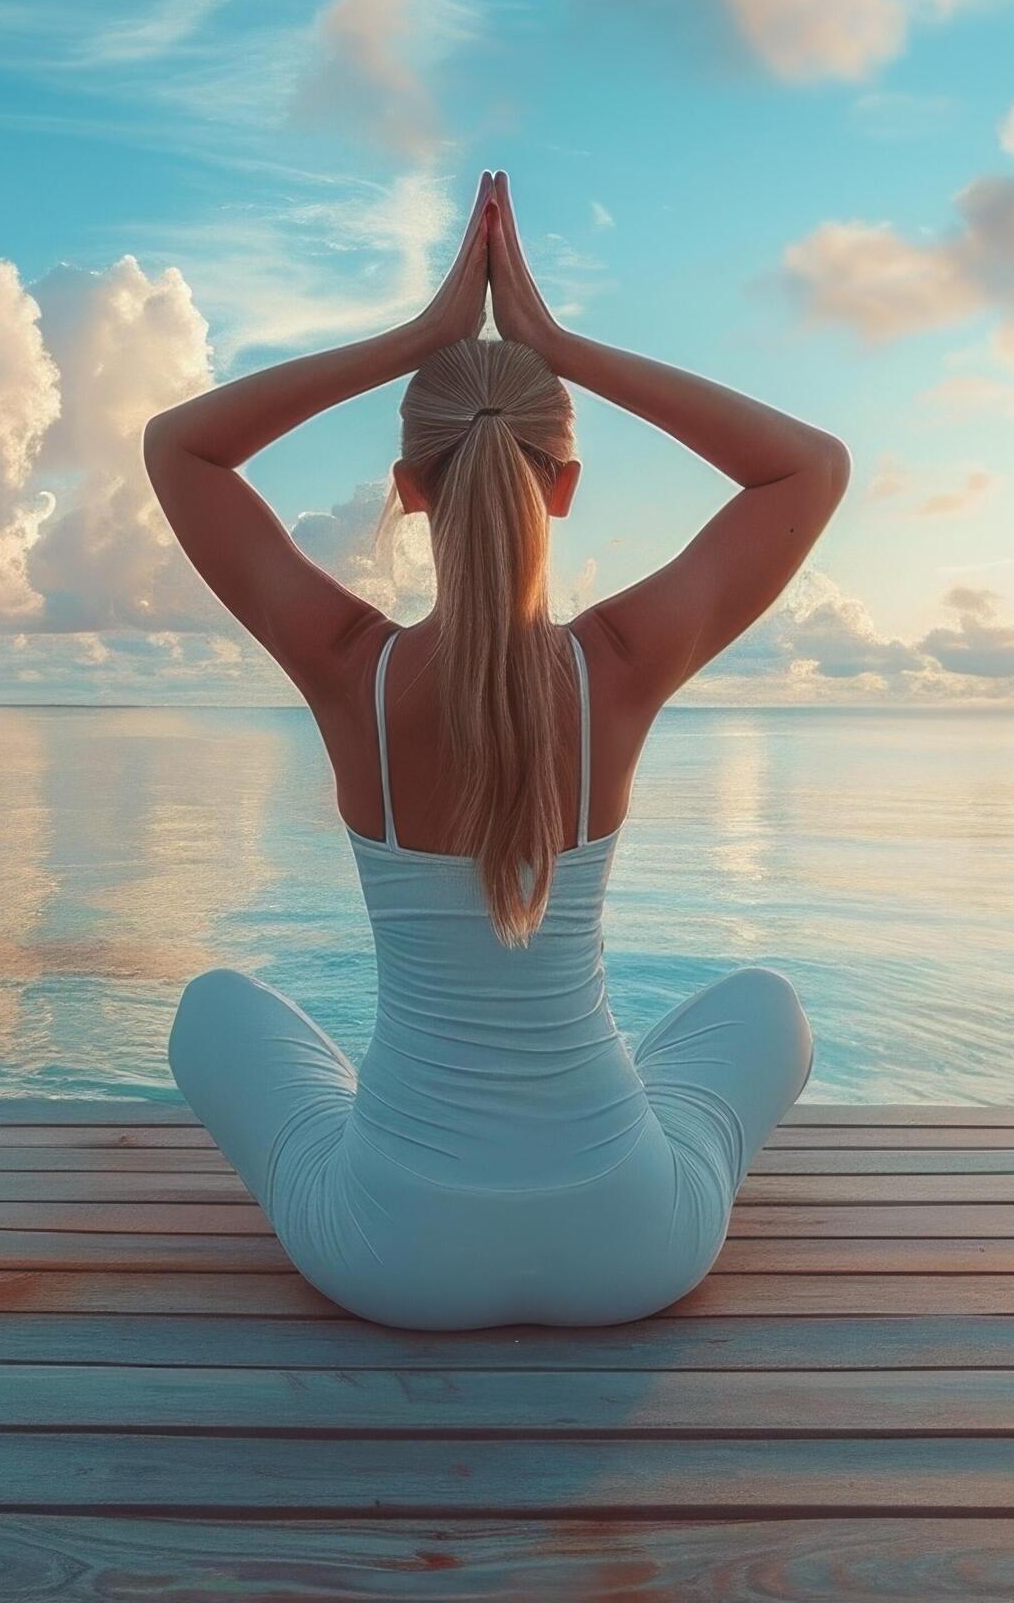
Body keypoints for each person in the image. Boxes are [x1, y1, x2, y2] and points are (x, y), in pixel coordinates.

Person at [144, 171, 849, 1330]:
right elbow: (807, 468)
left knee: (212, 1006)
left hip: (392, 1256)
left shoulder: (346, 669)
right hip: (634, 1245)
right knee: (767, 1002)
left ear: (407, 491)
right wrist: (554, 342)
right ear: (562, 488)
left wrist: (414, 340)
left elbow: (181, 449)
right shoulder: (616, 666)